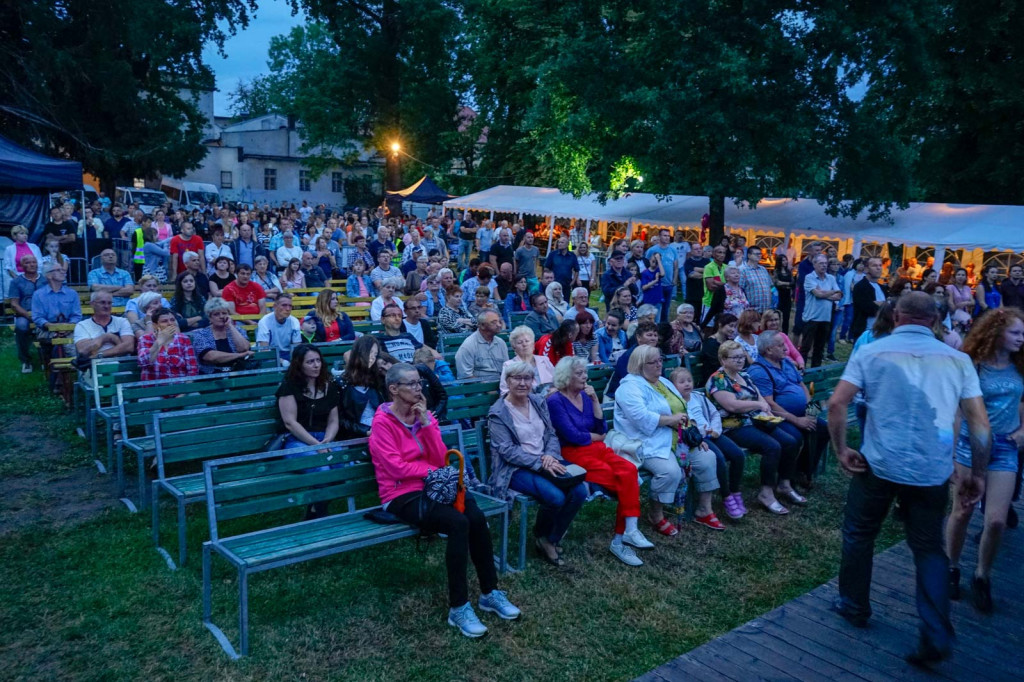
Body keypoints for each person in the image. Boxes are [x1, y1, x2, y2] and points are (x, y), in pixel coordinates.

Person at [827, 292, 991, 665]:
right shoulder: (958, 360)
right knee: (929, 548)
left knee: (859, 533)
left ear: (896, 315)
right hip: (930, 468)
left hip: (879, 462)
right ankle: (935, 631)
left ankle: (853, 603)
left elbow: (837, 404)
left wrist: (841, 449)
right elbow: (980, 424)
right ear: (935, 320)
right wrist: (977, 473)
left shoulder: (871, 352)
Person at [369, 363, 521, 636]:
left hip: (436, 483)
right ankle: (459, 607)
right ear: (394, 389)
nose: (419, 388)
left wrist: (427, 424)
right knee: (457, 523)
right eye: (412, 384)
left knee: (474, 515)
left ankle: (490, 592)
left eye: (419, 383)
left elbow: (441, 457)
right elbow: (395, 468)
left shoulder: (422, 416)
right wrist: (432, 472)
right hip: (401, 493)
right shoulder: (382, 424)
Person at [944, 308, 1023, 613]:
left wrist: (1022, 433)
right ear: (996, 332)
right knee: (962, 512)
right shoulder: (973, 366)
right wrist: (949, 453)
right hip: (968, 446)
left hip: (1004, 448)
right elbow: (957, 412)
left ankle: (982, 575)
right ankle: (951, 567)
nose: (1021, 338)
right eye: (1015, 332)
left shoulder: (1021, 365)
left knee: (997, 521)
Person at [546, 356, 650, 566]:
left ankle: (629, 531)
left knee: (629, 470)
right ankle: (620, 540)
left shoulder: (586, 396)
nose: (585, 377)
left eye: (585, 372)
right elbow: (573, 436)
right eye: (579, 373)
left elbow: (602, 429)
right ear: (566, 376)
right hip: (573, 454)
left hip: (598, 449)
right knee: (626, 483)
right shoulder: (555, 401)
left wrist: (595, 401)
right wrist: (597, 436)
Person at [489, 361, 588, 566]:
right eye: (517, 378)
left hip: (547, 460)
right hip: (515, 468)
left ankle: (550, 538)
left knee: (580, 491)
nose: (522, 383)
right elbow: (507, 450)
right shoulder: (498, 412)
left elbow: (551, 433)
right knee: (555, 496)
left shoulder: (537, 401)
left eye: (527, 378)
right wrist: (540, 462)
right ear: (508, 381)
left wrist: (550, 456)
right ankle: (543, 537)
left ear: (533, 382)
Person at [614, 345, 724, 532]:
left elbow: (683, 410)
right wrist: (671, 420)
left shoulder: (664, 382)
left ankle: (704, 510)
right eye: (654, 362)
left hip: (677, 438)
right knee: (670, 472)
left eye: (660, 360)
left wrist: (695, 437)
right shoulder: (628, 388)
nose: (659, 365)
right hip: (644, 441)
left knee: (707, 458)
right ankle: (656, 514)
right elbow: (642, 419)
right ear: (640, 365)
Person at [707, 340, 803, 515]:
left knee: (790, 441)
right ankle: (766, 493)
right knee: (771, 446)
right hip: (733, 426)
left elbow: (760, 398)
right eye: (735, 358)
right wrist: (757, 406)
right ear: (723, 359)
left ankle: (784, 484)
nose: (740, 361)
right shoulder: (718, 379)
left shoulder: (746, 376)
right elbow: (732, 406)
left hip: (756, 420)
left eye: (742, 357)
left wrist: (764, 407)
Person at [749, 331, 830, 487]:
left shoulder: (786, 363)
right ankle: (784, 478)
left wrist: (811, 412)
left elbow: (802, 386)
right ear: (768, 350)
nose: (786, 348)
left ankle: (801, 471)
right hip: (779, 416)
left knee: (822, 429)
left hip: (801, 413)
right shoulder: (759, 371)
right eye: (780, 345)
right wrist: (798, 421)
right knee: (795, 437)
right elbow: (769, 404)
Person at [672, 367, 748, 519]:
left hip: (712, 434)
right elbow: (684, 426)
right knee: (718, 457)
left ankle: (734, 491)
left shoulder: (698, 397)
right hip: (699, 439)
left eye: (689, 380)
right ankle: (726, 496)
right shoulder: (675, 403)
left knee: (737, 455)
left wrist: (715, 430)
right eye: (681, 382)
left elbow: (714, 413)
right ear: (673, 386)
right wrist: (701, 435)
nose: (687, 384)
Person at [336, 336, 387, 439]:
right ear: (359, 353)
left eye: (375, 354)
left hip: (381, 430)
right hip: (356, 436)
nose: (372, 357)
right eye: (370, 353)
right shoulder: (341, 383)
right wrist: (365, 431)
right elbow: (339, 420)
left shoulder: (378, 380)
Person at [73, 291, 135, 373]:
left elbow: (129, 347)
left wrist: (99, 355)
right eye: (102, 302)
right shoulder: (82, 325)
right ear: (92, 304)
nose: (106, 306)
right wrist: (106, 337)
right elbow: (84, 350)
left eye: (109, 303)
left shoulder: (122, 321)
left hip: (121, 367)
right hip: (94, 369)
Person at [190, 298, 255, 373]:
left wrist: (230, 326)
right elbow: (211, 357)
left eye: (224, 313)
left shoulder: (238, 330)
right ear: (209, 318)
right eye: (216, 314)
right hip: (212, 375)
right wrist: (240, 355)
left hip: (238, 371)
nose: (221, 316)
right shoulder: (201, 334)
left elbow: (244, 348)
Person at [800, 254, 842, 367]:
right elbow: (817, 294)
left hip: (825, 318)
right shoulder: (810, 277)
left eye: (825, 263)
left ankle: (815, 371)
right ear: (814, 265)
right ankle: (801, 371)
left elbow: (839, 295)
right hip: (811, 317)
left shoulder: (831, 278)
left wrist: (824, 293)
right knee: (805, 347)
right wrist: (830, 292)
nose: (824, 266)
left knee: (819, 348)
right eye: (821, 263)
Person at [136, 308, 199, 381]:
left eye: (172, 320)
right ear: (155, 325)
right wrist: (159, 342)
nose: (170, 323)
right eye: (164, 321)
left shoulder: (184, 339)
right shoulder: (145, 339)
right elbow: (143, 362)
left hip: (182, 387)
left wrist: (185, 390)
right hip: (154, 389)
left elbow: (192, 368)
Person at [604, 319, 659, 401]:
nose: (653, 338)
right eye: (649, 335)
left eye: (655, 335)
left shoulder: (656, 354)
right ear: (638, 337)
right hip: (621, 397)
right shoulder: (628, 357)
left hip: (648, 393)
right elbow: (628, 383)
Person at [7, 253, 43, 372]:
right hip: (25, 313)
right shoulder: (16, 282)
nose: (32, 265)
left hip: (44, 313)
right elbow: (14, 304)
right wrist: (29, 316)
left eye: (34, 262)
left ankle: (48, 358)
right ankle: (26, 360)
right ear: (22, 266)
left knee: (54, 326)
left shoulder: (45, 280)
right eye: (28, 262)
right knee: (21, 327)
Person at [499, 325, 556, 394]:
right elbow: (504, 392)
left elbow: (557, 382)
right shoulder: (509, 365)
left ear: (533, 344)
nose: (524, 344)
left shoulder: (544, 360)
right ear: (514, 347)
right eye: (520, 342)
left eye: (527, 341)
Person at [455, 311, 508, 380]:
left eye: (499, 322)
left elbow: (506, 369)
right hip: (480, 387)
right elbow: (465, 376)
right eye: (493, 322)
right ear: (482, 326)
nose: (499, 325)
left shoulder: (501, 343)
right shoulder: (468, 345)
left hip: (501, 384)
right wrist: (487, 389)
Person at [256, 293, 301, 364]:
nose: (288, 309)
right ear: (275, 306)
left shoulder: (294, 321)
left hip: (287, 353)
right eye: (284, 305)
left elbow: (297, 347)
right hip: (270, 353)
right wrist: (282, 361)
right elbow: (264, 349)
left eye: (290, 306)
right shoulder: (264, 321)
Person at [851, 256, 889, 340]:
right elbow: (869, 309)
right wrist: (884, 304)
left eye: (880, 265)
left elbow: (889, 309)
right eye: (875, 266)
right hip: (865, 332)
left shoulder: (883, 288)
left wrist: (879, 304)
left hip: (881, 332)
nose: (879, 268)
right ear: (867, 269)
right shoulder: (861, 286)